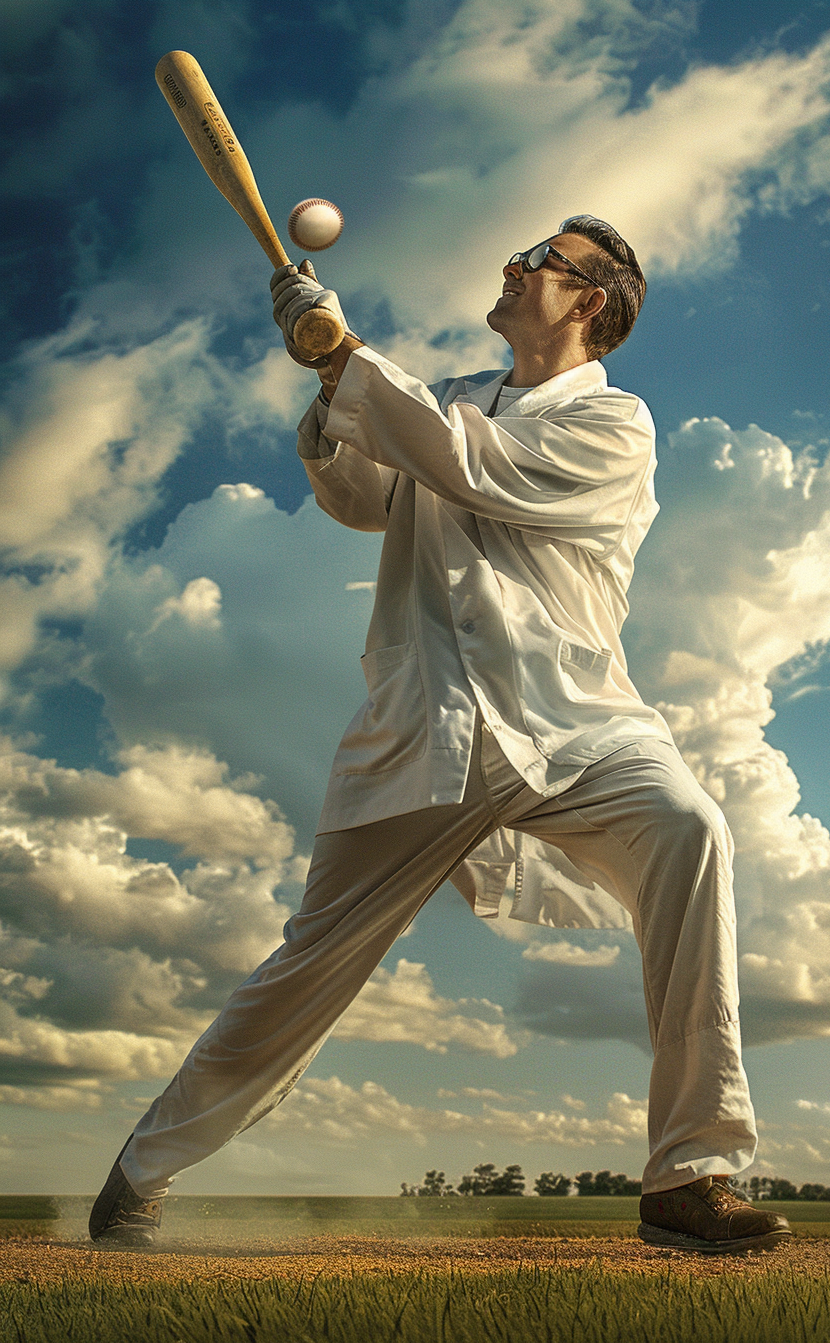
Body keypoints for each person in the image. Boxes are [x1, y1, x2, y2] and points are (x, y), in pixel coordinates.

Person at [89, 216, 791, 1254]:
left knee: (688, 827)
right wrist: (333, 389)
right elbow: (360, 495)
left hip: (575, 724)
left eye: (538, 262)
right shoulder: (454, 398)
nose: (512, 268)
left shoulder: (614, 425)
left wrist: (350, 361)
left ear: (587, 302)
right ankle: (137, 1179)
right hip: (424, 731)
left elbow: (477, 469)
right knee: (309, 966)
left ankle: (688, 1175)